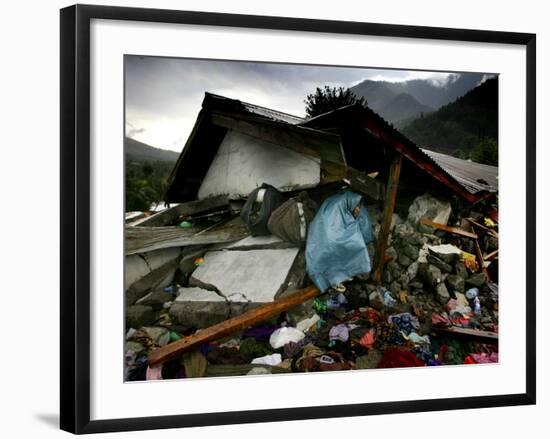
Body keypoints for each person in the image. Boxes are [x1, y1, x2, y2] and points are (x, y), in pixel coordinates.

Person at [305, 191, 375, 293]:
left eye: (359, 207)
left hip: (330, 238)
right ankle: (333, 278)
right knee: (338, 246)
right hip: (322, 239)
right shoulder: (336, 208)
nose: (358, 210)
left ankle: (346, 273)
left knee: (354, 244)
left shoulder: (348, 208)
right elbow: (331, 234)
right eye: (357, 207)